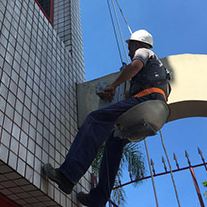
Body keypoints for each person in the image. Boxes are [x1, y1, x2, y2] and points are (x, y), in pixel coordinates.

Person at [43, 30, 170, 206]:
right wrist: (123, 96)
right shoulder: (158, 68)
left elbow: (134, 67)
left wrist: (113, 85)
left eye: (129, 46)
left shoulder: (144, 52)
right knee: (113, 144)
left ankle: (67, 176)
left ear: (137, 43)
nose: (129, 51)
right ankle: (97, 200)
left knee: (96, 119)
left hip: (145, 102)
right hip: (152, 110)